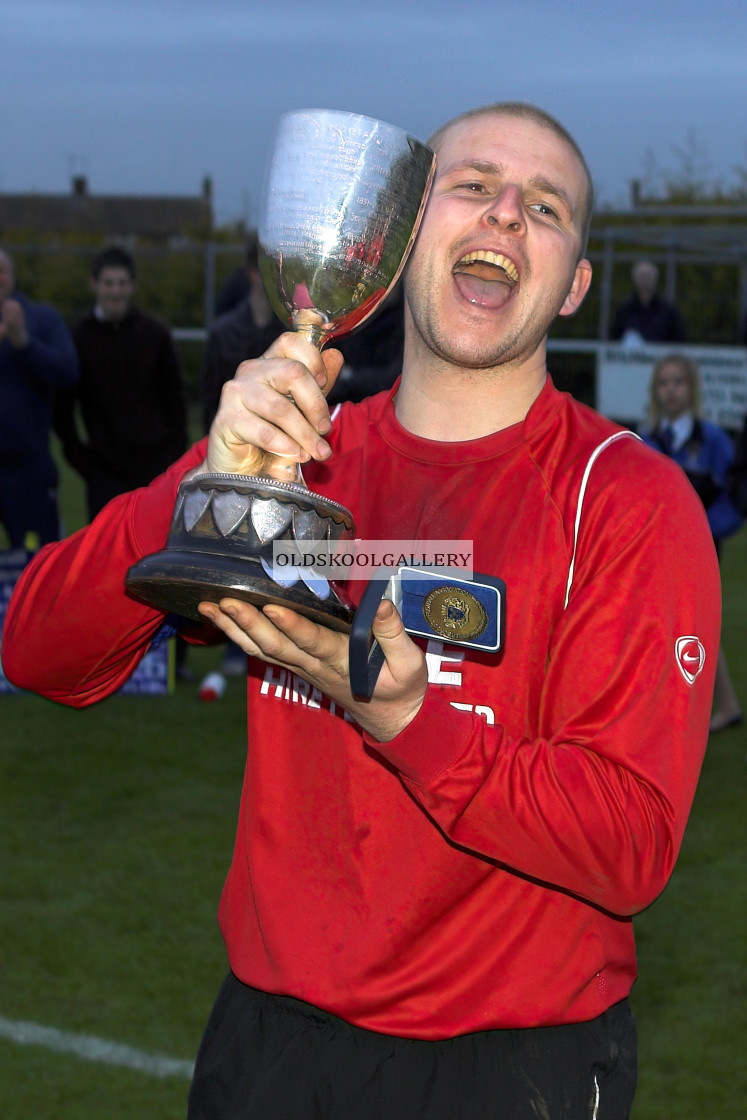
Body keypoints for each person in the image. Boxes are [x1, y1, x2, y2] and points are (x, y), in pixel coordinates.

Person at [2, 104, 720, 1119]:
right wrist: (199, 488)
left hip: (510, 1066)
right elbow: (40, 650)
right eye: (472, 185)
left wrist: (412, 724)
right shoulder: (300, 457)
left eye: (545, 207)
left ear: (574, 288)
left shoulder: (627, 498)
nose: (507, 214)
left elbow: (630, 841)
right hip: (269, 1047)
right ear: (397, 242)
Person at [641, 353, 743, 732]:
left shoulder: (713, 440)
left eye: (678, 382)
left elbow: (734, 498)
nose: (671, 390)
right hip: (656, 550)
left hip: (701, 550)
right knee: (666, 624)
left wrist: (705, 532)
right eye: (664, 383)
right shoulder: (647, 440)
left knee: (691, 626)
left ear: (692, 388)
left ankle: (690, 710)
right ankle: (710, 706)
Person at [54, 246, 188, 521]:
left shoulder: (155, 334)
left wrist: (172, 458)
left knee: (154, 553)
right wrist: (83, 462)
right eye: (108, 283)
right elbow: (62, 406)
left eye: (122, 283)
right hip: (104, 473)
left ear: (132, 285)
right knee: (106, 558)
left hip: (155, 469)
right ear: (94, 284)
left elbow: (175, 400)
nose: (115, 291)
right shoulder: (78, 337)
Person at [0, 248, 79, 552]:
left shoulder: (40, 319)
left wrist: (24, 342)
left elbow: (68, 373)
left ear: (13, 276)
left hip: (28, 467)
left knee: (38, 561)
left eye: (2, 270)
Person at [609, 260, 686, 344]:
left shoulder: (668, 310)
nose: (645, 281)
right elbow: (614, 338)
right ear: (634, 279)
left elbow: (678, 338)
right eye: (642, 276)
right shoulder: (624, 309)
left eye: (648, 276)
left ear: (655, 279)